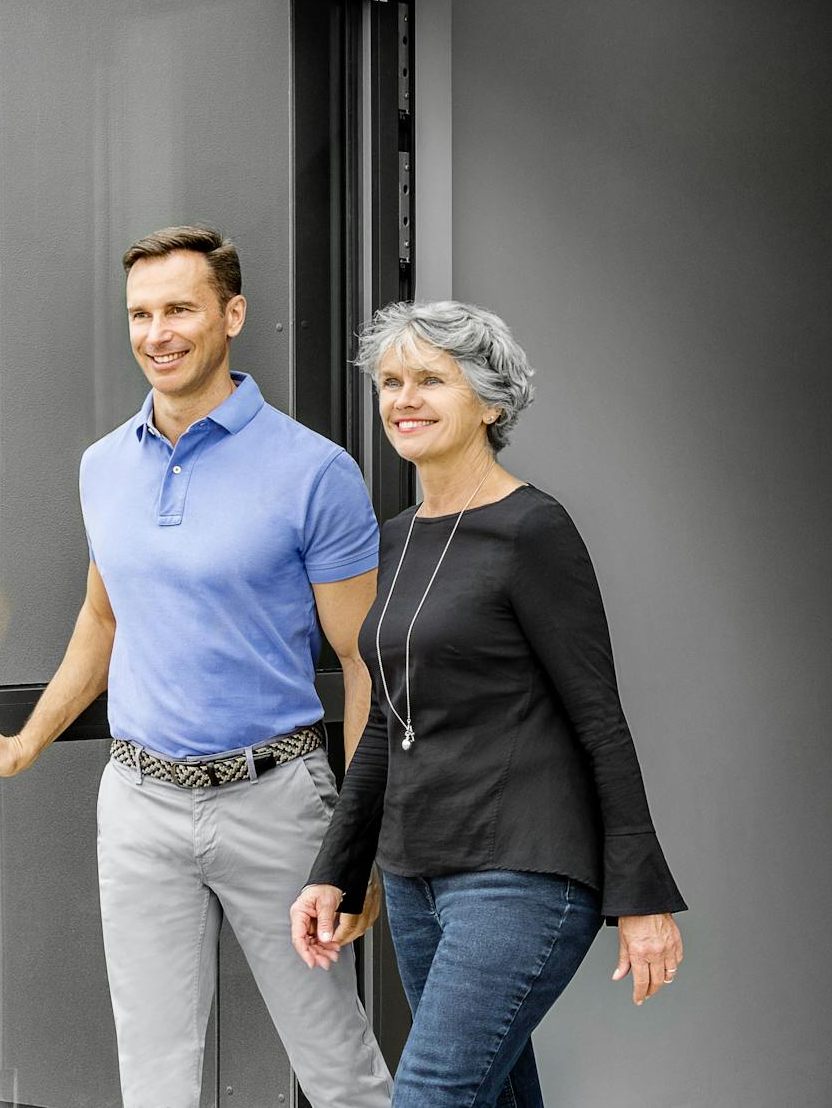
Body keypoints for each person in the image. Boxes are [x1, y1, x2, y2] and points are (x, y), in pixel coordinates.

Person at [0, 225, 392, 1108]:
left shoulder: (315, 472)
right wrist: (27, 743)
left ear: (232, 314)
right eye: (141, 314)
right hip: (139, 802)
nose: (159, 332)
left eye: (180, 309)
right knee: (153, 1081)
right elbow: (102, 618)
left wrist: (360, 844)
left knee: (338, 1068)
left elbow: (363, 662)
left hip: (279, 799)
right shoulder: (104, 466)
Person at [290, 300, 688, 1108]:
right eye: (392, 380)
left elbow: (598, 717)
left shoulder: (534, 530)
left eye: (432, 380)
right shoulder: (399, 537)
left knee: (432, 1095)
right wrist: (337, 869)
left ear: (491, 402)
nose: (404, 398)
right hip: (415, 872)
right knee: (494, 1096)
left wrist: (642, 895)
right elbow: (388, 727)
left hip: (520, 871)